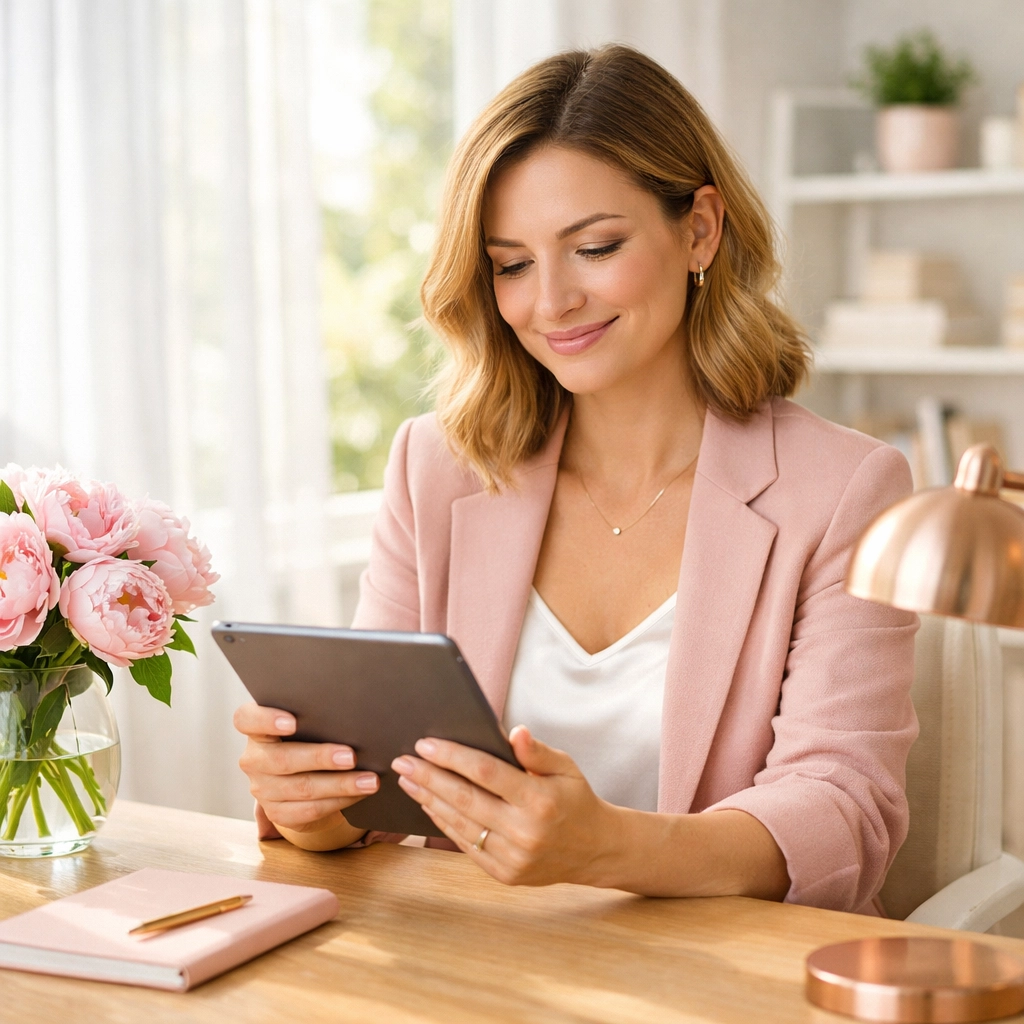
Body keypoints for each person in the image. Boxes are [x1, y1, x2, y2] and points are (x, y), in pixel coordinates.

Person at [234, 44, 917, 915]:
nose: (549, 302)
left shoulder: (846, 487)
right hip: (474, 973)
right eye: (511, 264)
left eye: (593, 247)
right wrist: (314, 805)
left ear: (700, 229)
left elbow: (844, 807)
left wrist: (609, 847)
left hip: (713, 982)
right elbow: (378, 789)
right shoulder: (435, 470)